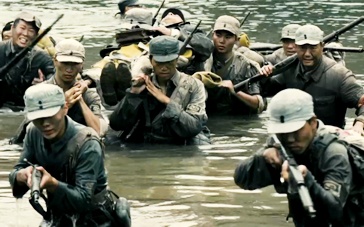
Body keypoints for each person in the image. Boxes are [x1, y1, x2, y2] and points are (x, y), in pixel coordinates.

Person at [234, 88, 364, 227]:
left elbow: (334, 211)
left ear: (312, 123)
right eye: (283, 133)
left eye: (296, 131)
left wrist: (308, 181)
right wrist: (263, 156)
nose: (290, 139)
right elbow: (242, 179)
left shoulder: (334, 153)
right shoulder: (283, 148)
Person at [8, 83, 131, 226]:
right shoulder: (33, 132)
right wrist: (23, 176)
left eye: (50, 116)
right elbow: (17, 177)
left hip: (95, 219)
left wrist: (52, 184)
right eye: (38, 118)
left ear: (65, 108)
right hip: (58, 215)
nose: (45, 123)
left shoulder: (88, 142)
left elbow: (84, 199)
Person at [260, 24, 364, 133]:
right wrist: (265, 74)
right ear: (296, 47)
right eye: (303, 48)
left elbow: (362, 102)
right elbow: (265, 91)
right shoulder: (288, 71)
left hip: (328, 137)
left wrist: (359, 124)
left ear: (322, 46)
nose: (307, 54)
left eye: (313, 48)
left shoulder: (339, 75)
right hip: (294, 136)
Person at [109, 35, 210, 145]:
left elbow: (194, 126)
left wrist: (166, 101)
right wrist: (133, 94)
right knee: (111, 142)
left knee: (200, 143)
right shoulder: (142, 84)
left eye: (169, 62)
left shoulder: (193, 85)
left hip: (181, 140)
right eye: (160, 62)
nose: (164, 68)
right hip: (149, 141)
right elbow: (116, 125)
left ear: (177, 60)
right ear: (151, 60)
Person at [44, 38, 108, 136]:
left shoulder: (89, 95)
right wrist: (64, 105)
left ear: (82, 65)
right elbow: (31, 129)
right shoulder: (41, 91)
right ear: (55, 61)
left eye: (74, 64)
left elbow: (98, 131)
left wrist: (80, 99)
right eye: (65, 63)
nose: (69, 69)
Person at [204, 15, 266, 115]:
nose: (222, 41)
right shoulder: (203, 59)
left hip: (235, 118)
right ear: (212, 35)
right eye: (218, 35)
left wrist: (235, 91)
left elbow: (258, 103)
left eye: (228, 37)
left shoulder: (246, 65)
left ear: (236, 39)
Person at [0, 12, 54, 109]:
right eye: (22, 28)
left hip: (27, 107)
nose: (25, 34)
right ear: (12, 29)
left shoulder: (42, 57)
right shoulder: (1, 49)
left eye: (31, 30)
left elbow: (56, 81)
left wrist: (45, 85)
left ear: (36, 35)